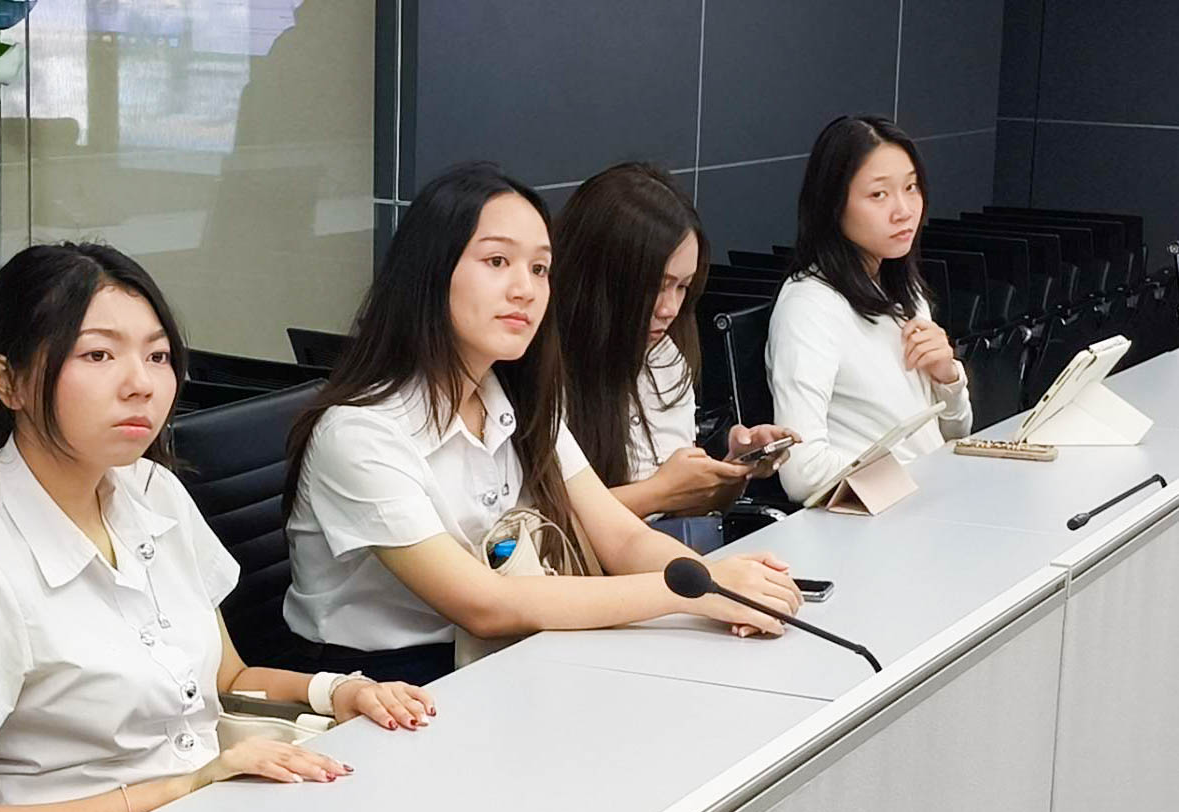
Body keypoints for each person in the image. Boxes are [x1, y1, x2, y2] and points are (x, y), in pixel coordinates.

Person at [0, 243, 433, 812]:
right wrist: (179, 789)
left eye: (157, 355)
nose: (140, 384)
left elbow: (227, 679)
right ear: (8, 381)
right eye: (97, 354)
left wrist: (338, 692)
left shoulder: (152, 489)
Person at [282, 163, 802, 686]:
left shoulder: (516, 397)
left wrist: (722, 584)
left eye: (539, 269)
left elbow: (621, 539)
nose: (525, 290)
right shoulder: (359, 434)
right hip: (388, 686)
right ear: (431, 271)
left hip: (507, 658)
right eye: (497, 261)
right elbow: (485, 605)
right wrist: (694, 592)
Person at [551, 162, 798, 547]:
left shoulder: (664, 356)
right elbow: (541, 528)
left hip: (664, 558)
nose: (670, 308)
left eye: (682, 287)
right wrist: (659, 492)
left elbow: (685, 513)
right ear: (600, 278)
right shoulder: (542, 375)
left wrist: (731, 472)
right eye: (656, 285)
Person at [766, 116, 972, 503]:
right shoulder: (810, 306)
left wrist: (948, 378)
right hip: (879, 518)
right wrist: (913, 476)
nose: (904, 210)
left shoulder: (903, 287)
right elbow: (803, 471)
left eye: (911, 187)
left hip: (927, 503)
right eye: (878, 195)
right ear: (833, 204)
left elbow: (954, 434)